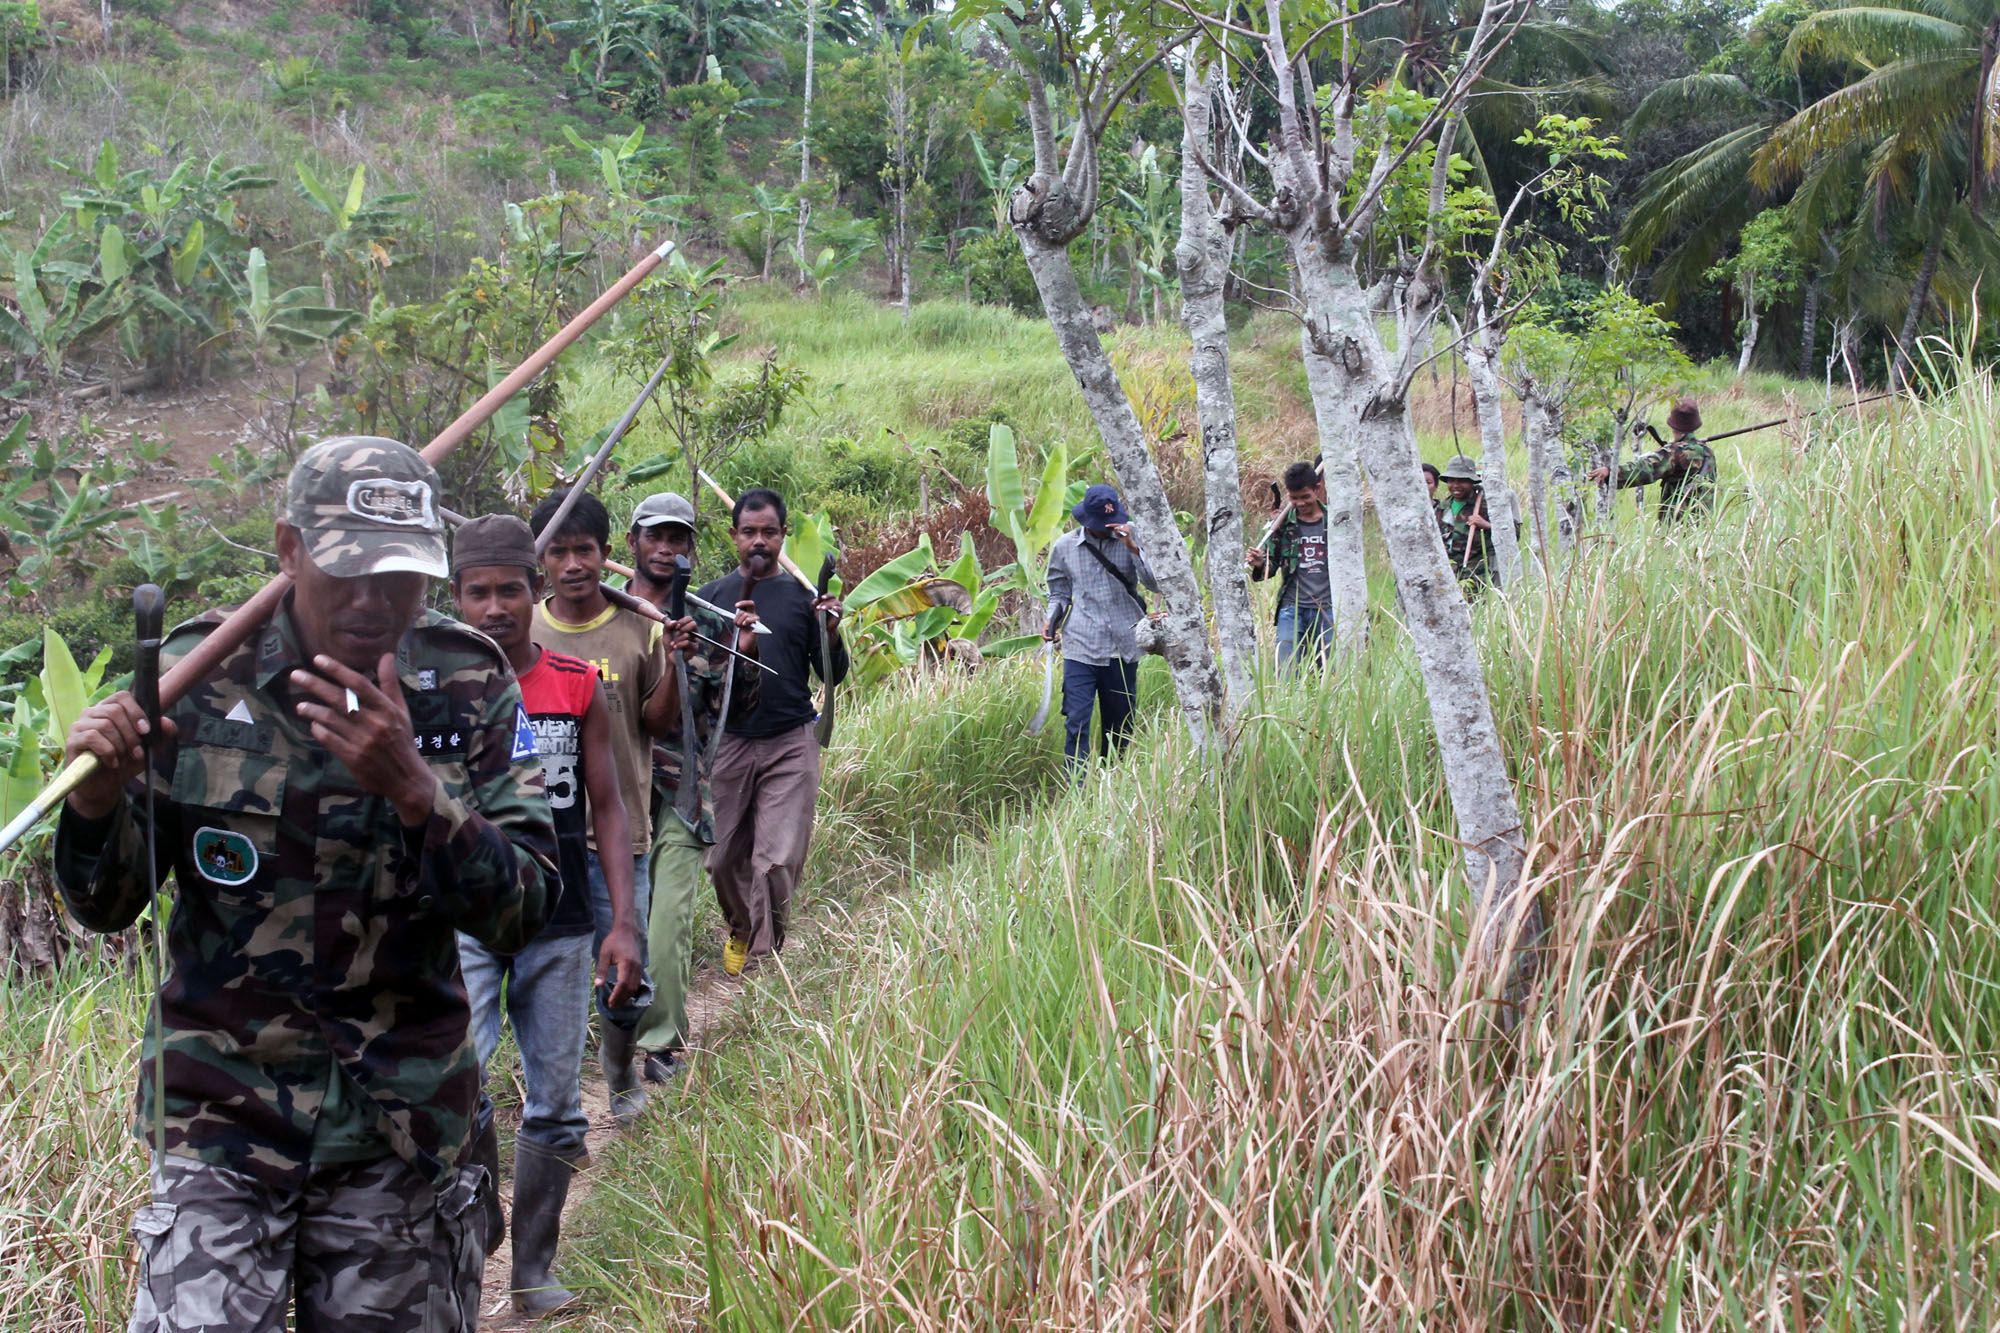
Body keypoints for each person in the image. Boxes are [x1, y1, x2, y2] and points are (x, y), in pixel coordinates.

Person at [53, 436, 555, 1332]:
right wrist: (96, 800)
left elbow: (527, 907)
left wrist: (415, 790)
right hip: (222, 1115)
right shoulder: (200, 677)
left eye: (398, 576)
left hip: (400, 1125)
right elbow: (105, 906)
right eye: (345, 572)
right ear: (289, 550)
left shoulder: (469, 681)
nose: (372, 603)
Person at [449, 514, 643, 1315]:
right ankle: (469, 1235)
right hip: (461, 919)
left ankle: (531, 1271)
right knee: (455, 1084)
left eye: (509, 590)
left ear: (534, 591)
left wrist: (622, 920)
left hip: (559, 921)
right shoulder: (431, 688)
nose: (494, 607)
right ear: (454, 598)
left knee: (558, 1101)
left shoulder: (574, 683)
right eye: (477, 593)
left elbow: (609, 808)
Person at [528, 488, 672, 1127]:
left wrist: (677, 661)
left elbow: (657, 723)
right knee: (541, 973)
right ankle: (548, 1104)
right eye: (557, 552)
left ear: (606, 554)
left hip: (621, 831)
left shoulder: (640, 625)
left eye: (583, 549)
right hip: (538, 838)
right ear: (542, 563)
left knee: (622, 975)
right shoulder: (522, 628)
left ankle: (617, 1076)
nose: (573, 564)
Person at [621, 492, 762, 1075]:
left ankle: (659, 1043)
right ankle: (610, 1038)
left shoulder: (710, 623)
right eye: (655, 536)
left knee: (668, 917)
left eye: (678, 538)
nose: (665, 548)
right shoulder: (602, 612)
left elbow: (735, 705)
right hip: (606, 792)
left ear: (690, 550)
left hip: (680, 792)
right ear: (632, 542)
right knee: (612, 920)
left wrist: (744, 657)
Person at [697, 487, 849, 977]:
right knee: (721, 860)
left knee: (776, 861)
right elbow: (697, 677)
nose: (758, 541)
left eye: (768, 532)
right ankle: (741, 928)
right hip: (729, 743)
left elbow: (833, 673)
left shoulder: (803, 600)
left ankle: (765, 960)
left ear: (783, 536)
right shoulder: (712, 599)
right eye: (749, 532)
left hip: (790, 741)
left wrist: (829, 632)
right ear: (733, 536)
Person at [1045, 483, 1157, 777]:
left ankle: (1111, 783)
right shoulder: (1064, 547)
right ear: (1086, 520)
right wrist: (1051, 619)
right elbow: (1058, 593)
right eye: (1100, 526)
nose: (1106, 530)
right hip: (1081, 644)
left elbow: (1155, 583)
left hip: (1124, 644)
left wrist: (1133, 549)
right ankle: (1077, 789)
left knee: (1120, 725)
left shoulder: (1131, 535)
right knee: (1077, 720)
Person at [1246, 460, 1333, 667]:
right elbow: (1271, 567)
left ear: (1317, 489)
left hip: (1329, 609)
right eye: (1294, 499)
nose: (1301, 503)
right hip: (1292, 608)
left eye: (1306, 497)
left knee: (1331, 671)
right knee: (1285, 669)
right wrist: (1260, 563)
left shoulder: (1334, 522)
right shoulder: (1283, 525)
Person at [1589, 396, 1717, 522]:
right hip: (1703, 526)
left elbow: (1646, 470)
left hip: (1677, 527)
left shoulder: (1675, 453)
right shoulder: (1707, 452)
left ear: (1673, 426)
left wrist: (1610, 472)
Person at [1438, 454, 1494, 587]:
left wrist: (1486, 525)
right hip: (1447, 573)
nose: (1456, 485)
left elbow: (1512, 533)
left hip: (1475, 574)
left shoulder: (1485, 506)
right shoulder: (1441, 507)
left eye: (1462, 481)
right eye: (1452, 480)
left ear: (1471, 481)